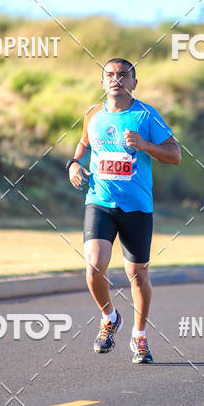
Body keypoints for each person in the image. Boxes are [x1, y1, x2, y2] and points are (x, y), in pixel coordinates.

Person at [66, 58, 181, 363]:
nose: (116, 79)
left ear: (134, 83)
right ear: (102, 82)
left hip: (137, 208)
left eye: (123, 75)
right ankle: (109, 317)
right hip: (100, 201)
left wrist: (145, 145)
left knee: (137, 275)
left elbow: (175, 155)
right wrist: (73, 164)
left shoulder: (146, 116)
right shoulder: (93, 113)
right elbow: (82, 144)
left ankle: (139, 337)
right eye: (110, 75)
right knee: (93, 266)